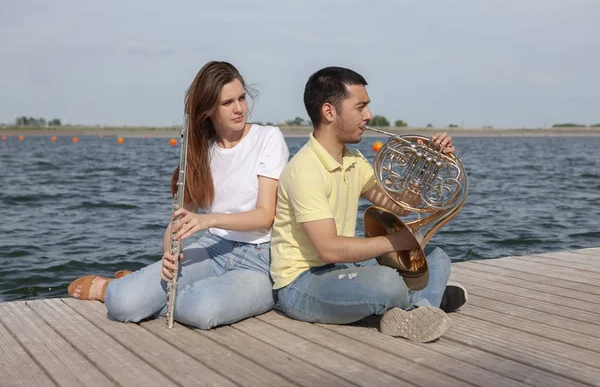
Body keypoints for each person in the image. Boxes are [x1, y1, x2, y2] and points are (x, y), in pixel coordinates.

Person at [68, 61, 289, 329]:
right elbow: (177, 221)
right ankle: (115, 289)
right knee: (123, 303)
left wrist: (209, 220)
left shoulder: (268, 138)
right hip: (214, 248)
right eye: (227, 102)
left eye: (241, 98)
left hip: (258, 259)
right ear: (208, 110)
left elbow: (265, 216)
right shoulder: (202, 152)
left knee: (200, 309)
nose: (239, 108)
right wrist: (168, 255)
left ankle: (148, 293)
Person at [270, 66, 467, 343]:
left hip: (341, 271)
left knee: (436, 257)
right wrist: (397, 243)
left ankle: (418, 309)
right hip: (300, 284)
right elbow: (329, 249)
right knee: (387, 283)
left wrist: (428, 163)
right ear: (329, 112)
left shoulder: (353, 159)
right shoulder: (305, 170)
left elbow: (399, 206)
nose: (369, 116)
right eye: (360, 107)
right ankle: (424, 301)